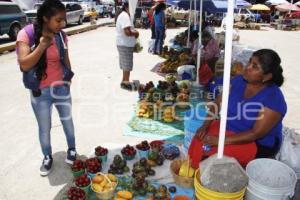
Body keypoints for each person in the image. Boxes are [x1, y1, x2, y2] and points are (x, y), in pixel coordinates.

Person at [188, 49, 287, 168]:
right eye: (249, 62)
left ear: (267, 77)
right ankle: (191, 171)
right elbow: (218, 102)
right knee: (199, 139)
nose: (247, 67)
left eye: (254, 66)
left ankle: (202, 177)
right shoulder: (239, 80)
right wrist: (205, 126)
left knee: (212, 157)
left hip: (257, 142)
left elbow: (255, 133)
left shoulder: (273, 98)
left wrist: (220, 141)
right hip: (230, 128)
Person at [16, 0, 77, 176]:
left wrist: (68, 79)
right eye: (58, 20)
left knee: (67, 119)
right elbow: (24, 64)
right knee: (44, 126)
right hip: (39, 91)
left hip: (61, 87)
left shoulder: (61, 35)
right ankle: (47, 156)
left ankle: (72, 149)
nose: (62, 24)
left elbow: (65, 58)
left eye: (63, 20)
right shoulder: (26, 34)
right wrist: (42, 45)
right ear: (45, 18)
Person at [116, 1, 139, 90]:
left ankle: (124, 81)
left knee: (125, 63)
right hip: (125, 44)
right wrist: (136, 33)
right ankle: (126, 82)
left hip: (123, 43)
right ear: (127, 7)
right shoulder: (125, 16)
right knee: (127, 64)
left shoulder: (123, 15)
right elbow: (127, 32)